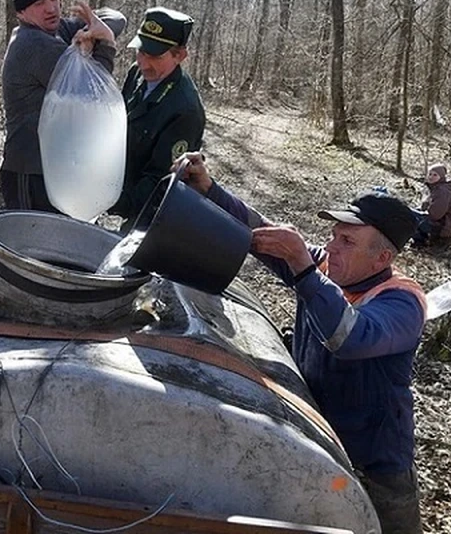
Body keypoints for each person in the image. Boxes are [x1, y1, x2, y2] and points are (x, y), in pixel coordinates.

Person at [177, 152, 426, 534]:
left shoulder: (403, 302)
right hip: (320, 444)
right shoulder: (327, 269)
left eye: (346, 240)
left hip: (376, 466)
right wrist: (210, 191)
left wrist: (304, 268)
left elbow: (350, 337)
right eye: (332, 236)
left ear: (382, 258)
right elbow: (263, 236)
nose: (332, 247)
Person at [1, 0, 126, 211]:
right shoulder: (32, 44)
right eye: (38, 3)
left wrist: (92, 26)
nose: (51, 8)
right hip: (31, 175)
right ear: (22, 12)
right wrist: (105, 43)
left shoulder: (55, 30)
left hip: (53, 170)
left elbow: (117, 17)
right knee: (38, 247)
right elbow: (93, 93)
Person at [109, 7, 205, 225]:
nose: (143, 62)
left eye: (154, 55)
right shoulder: (137, 74)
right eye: (141, 51)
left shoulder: (185, 111)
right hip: (128, 194)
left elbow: (160, 183)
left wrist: (110, 200)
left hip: (158, 214)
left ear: (179, 55)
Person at [412, 163, 451, 247]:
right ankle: (421, 241)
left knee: (407, 216)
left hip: (442, 228)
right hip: (435, 223)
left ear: (441, 177)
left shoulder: (442, 191)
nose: (431, 177)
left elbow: (435, 215)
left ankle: (422, 241)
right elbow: (424, 207)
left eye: (435, 175)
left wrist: (415, 213)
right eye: (430, 174)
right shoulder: (433, 188)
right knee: (409, 213)